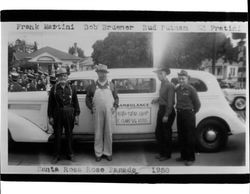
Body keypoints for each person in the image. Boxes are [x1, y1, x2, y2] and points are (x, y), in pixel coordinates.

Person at [86, 64, 119, 162]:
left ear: (106, 73)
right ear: (97, 73)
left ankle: (108, 153)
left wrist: (115, 106)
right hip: (97, 112)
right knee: (98, 132)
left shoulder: (111, 85)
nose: (102, 74)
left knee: (108, 132)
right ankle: (98, 153)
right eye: (100, 72)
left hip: (109, 111)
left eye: (104, 72)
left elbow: (116, 97)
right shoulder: (93, 86)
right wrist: (91, 107)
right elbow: (87, 98)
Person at [47, 68, 80, 164]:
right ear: (57, 77)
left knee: (69, 134)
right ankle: (56, 155)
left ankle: (70, 154)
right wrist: (50, 116)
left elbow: (75, 102)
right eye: (60, 75)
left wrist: (77, 115)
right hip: (57, 114)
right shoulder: (54, 89)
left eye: (64, 75)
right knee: (57, 135)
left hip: (69, 114)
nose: (63, 77)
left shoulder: (72, 88)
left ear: (67, 77)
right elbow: (50, 104)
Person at [175, 70, 201, 166]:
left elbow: (197, 104)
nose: (181, 80)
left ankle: (191, 158)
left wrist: (192, 112)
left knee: (189, 137)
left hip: (188, 114)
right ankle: (183, 156)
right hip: (180, 114)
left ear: (187, 79)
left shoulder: (191, 89)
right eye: (180, 78)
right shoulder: (177, 89)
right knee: (181, 136)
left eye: (183, 78)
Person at [152, 67, 176, 161]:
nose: (159, 75)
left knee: (166, 133)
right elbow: (163, 96)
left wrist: (166, 115)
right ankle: (162, 152)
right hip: (161, 109)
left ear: (166, 74)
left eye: (161, 74)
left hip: (167, 110)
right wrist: (157, 99)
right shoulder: (162, 84)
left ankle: (167, 154)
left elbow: (170, 102)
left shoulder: (170, 85)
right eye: (158, 74)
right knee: (159, 132)